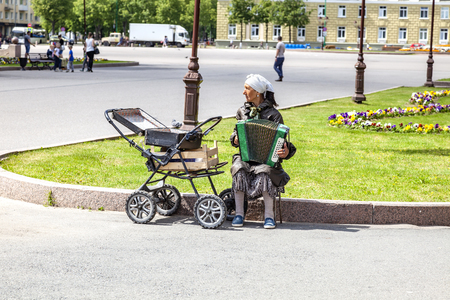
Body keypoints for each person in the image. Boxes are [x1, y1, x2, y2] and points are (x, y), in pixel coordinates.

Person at [230, 74, 296, 229]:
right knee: (238, 168)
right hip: (246, 157)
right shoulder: (242, 111)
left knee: (265, 171)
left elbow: (283, 143)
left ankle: (269, 217)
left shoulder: (274, 115)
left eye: (247, 88)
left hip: (266, 159)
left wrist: (285, 152)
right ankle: (239, 214)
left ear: (257, 92)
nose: (243, 92)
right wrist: (235, 139)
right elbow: (234, 133)